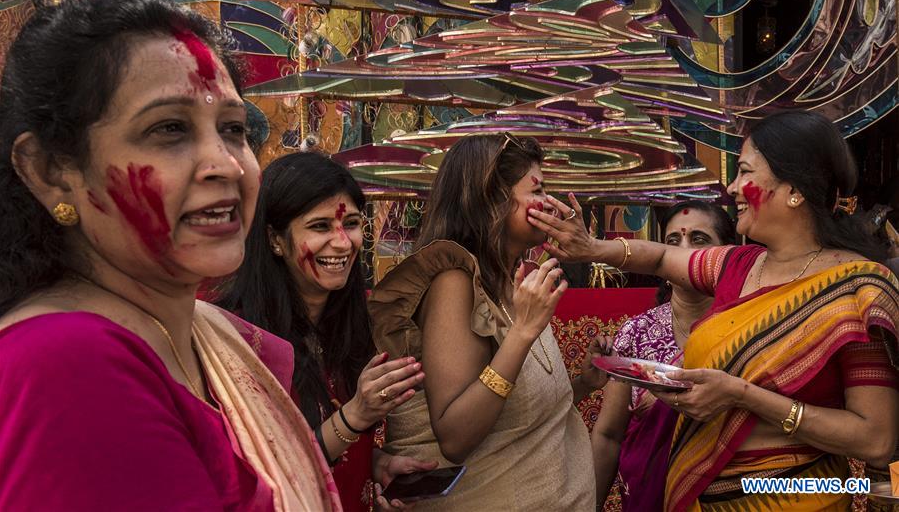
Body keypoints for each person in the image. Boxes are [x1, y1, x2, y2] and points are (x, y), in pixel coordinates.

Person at [0, 0, 339, 510]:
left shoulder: (214, 338)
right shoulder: (67, 368)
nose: (226, 165)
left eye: (233, 129)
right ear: (51, 171)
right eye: (170, 129)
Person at [528, 111, 899, 511]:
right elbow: (660, 258)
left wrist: (742, 395)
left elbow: (875, 439)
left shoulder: (856, 290)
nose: (732, 187)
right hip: (699, 498)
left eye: (744, 172)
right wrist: (593, 248)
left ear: (793, 190)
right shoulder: (737, 266)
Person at [367, 133, 608, 510]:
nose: (549, 202)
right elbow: (456, 436)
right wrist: (523, 333)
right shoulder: (454, 284)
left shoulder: (511, 281)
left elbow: (514, 413)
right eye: (537, 190)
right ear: (493, 200)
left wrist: (583, 384)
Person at [218, 151, 437, 511]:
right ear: (275, 239)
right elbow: (264, 473)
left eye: (351, 223)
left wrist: (377, 464)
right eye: (320, 227)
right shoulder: (239, 339)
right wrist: (356, 416)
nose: (343, 242)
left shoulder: (357, 320)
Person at [592, 200, 736, 510]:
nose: (683, 251)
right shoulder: (637, 333)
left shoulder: (746, 328)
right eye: (672, 241)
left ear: (727, 255)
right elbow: (608, 435)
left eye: (699, 239)